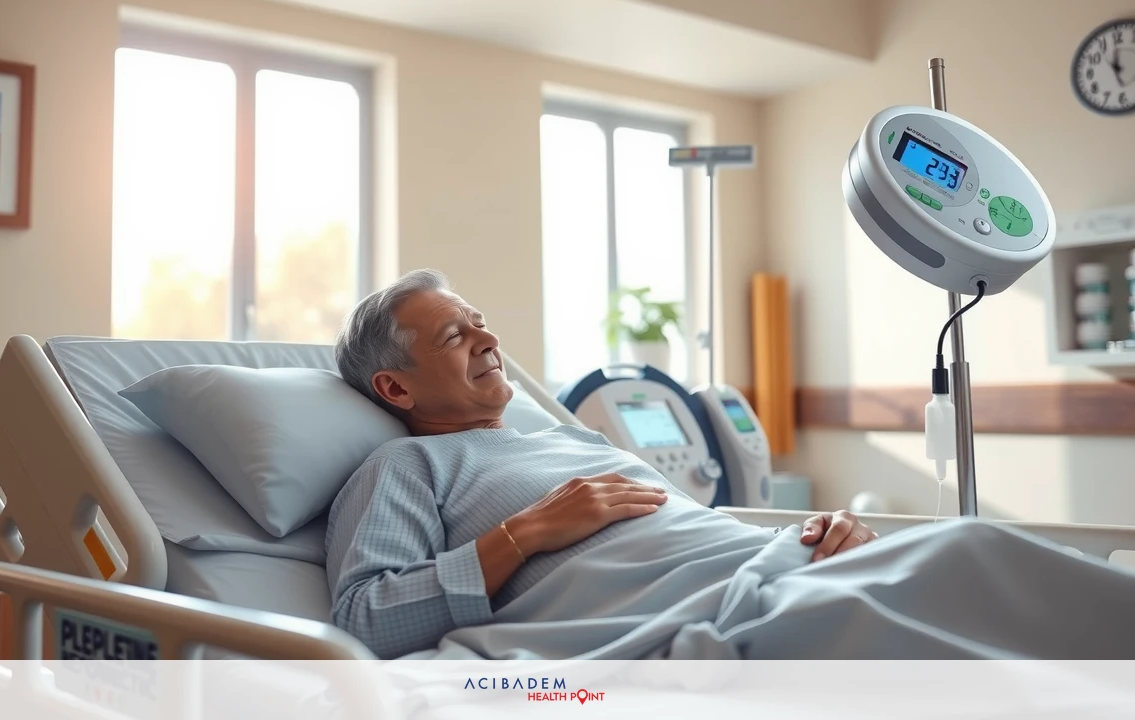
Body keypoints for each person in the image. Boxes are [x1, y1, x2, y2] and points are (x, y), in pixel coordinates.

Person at [325, 269, 878, 658]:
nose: (490, 339)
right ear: (396, 387)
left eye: (480, 322)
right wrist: (527, 532)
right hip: (709, 613)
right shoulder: (407, 464)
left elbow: (700, 531)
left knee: (956, 547)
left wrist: (815, 534)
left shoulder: (577, 439)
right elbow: (364, 618)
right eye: (454, 336)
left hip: (779, 569)